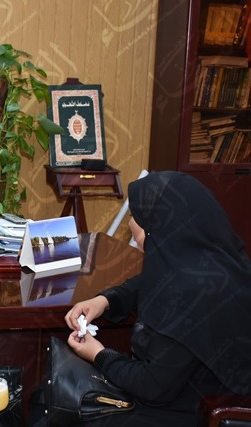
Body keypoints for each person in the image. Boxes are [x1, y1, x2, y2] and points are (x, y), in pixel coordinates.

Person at [30, 171, 251, 426]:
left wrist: (98, 354)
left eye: (139, 239)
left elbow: (151, 387)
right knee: (50, 398)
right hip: (177, 391)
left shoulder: (189, 298)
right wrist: (104, 301)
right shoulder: (211, 261)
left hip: (190, 411)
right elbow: (149, 281)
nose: (138, 248)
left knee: (59, 412)